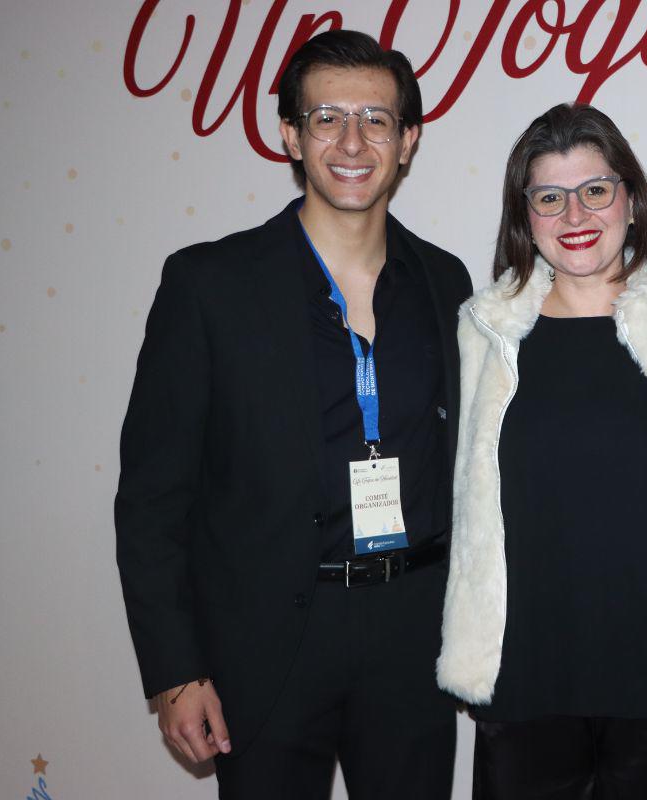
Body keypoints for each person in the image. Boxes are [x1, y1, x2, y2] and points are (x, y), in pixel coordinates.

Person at [115, 30, 471, 799]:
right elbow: (151, 499)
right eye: (326, 119)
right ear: (290, 135)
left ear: (408, 141)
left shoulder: (446, 282)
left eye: (376, 120)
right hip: (268, 642)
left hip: (413, 637)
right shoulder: (208, 285)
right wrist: (176, 672)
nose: (352, 142)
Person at [436, 103, 647, 799]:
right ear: (524, 215)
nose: (576, 215)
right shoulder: (483, 333)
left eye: (596, 190)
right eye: (550, 197)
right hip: (524, 682)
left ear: (631, 199)